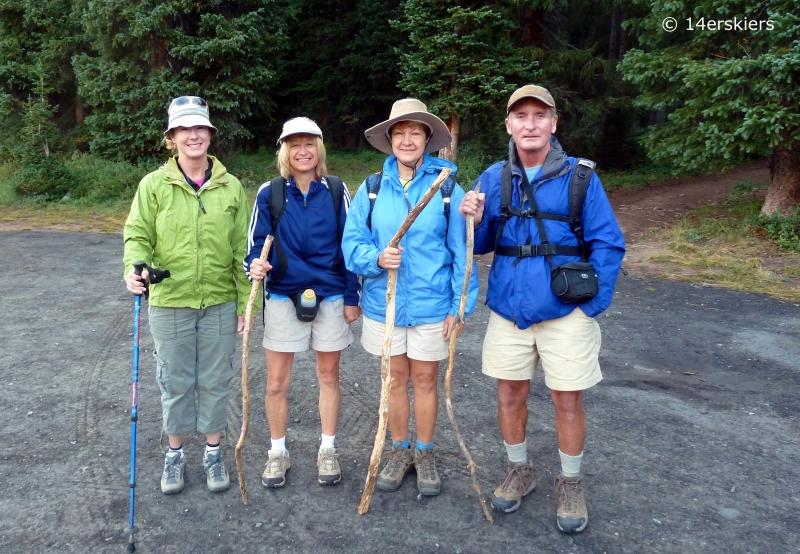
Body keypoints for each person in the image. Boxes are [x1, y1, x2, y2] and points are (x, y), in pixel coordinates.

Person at [459, 85, 625, 532]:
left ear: (554, 124)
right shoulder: (493, 178)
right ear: (509, 125)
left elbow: (609, 243)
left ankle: (570, 481)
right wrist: (473, 221)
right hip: (509, 311)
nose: (530, 124)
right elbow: (483, 244)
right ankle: (520, 470)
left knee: (567, 399)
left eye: (539, 115)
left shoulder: (581, 177)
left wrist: (591, 306)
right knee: (509, 394)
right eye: (521, 116)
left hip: (566, 310)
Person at [342, 99, 479, 497]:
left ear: (427, 139)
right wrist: (377, 257)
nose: (407, 139)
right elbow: (352, 245)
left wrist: (459, 308)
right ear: (389, 140)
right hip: (383, 306)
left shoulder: (448, 188)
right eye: (399, 132)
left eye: (415, 132)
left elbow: (462, 255)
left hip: (431, 306)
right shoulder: (371, 188)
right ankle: (399, 450)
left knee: (425, 379)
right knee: (395, 380)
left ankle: (425, 452)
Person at [123, 96, 255, 495]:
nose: (193, 134)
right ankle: (175, 455)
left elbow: (242, 251)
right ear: (172, 137)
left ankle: (214, 453)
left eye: (200, 127)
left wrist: (250, 302)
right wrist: (135, 268)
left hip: (219, 302)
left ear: (210, 134)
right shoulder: (153, 185)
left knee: (216, 379)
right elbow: (137, 235)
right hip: (170, 301)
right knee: (175, 381)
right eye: (184, 128)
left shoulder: (231, 187)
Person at [245, 117, 361, 488]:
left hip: (329, 295)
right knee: (276, 383)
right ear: (284, 151)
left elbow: (350, 244)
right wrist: (255, 264)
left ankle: (327, 449)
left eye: (309, 143)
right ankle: (277, 453)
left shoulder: (337, 190)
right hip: (281, 295)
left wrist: (351, 296)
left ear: (319, 148)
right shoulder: (270, 192)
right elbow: (255, 244)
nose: (302, 151)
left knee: (329, 377)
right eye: (294, 144)